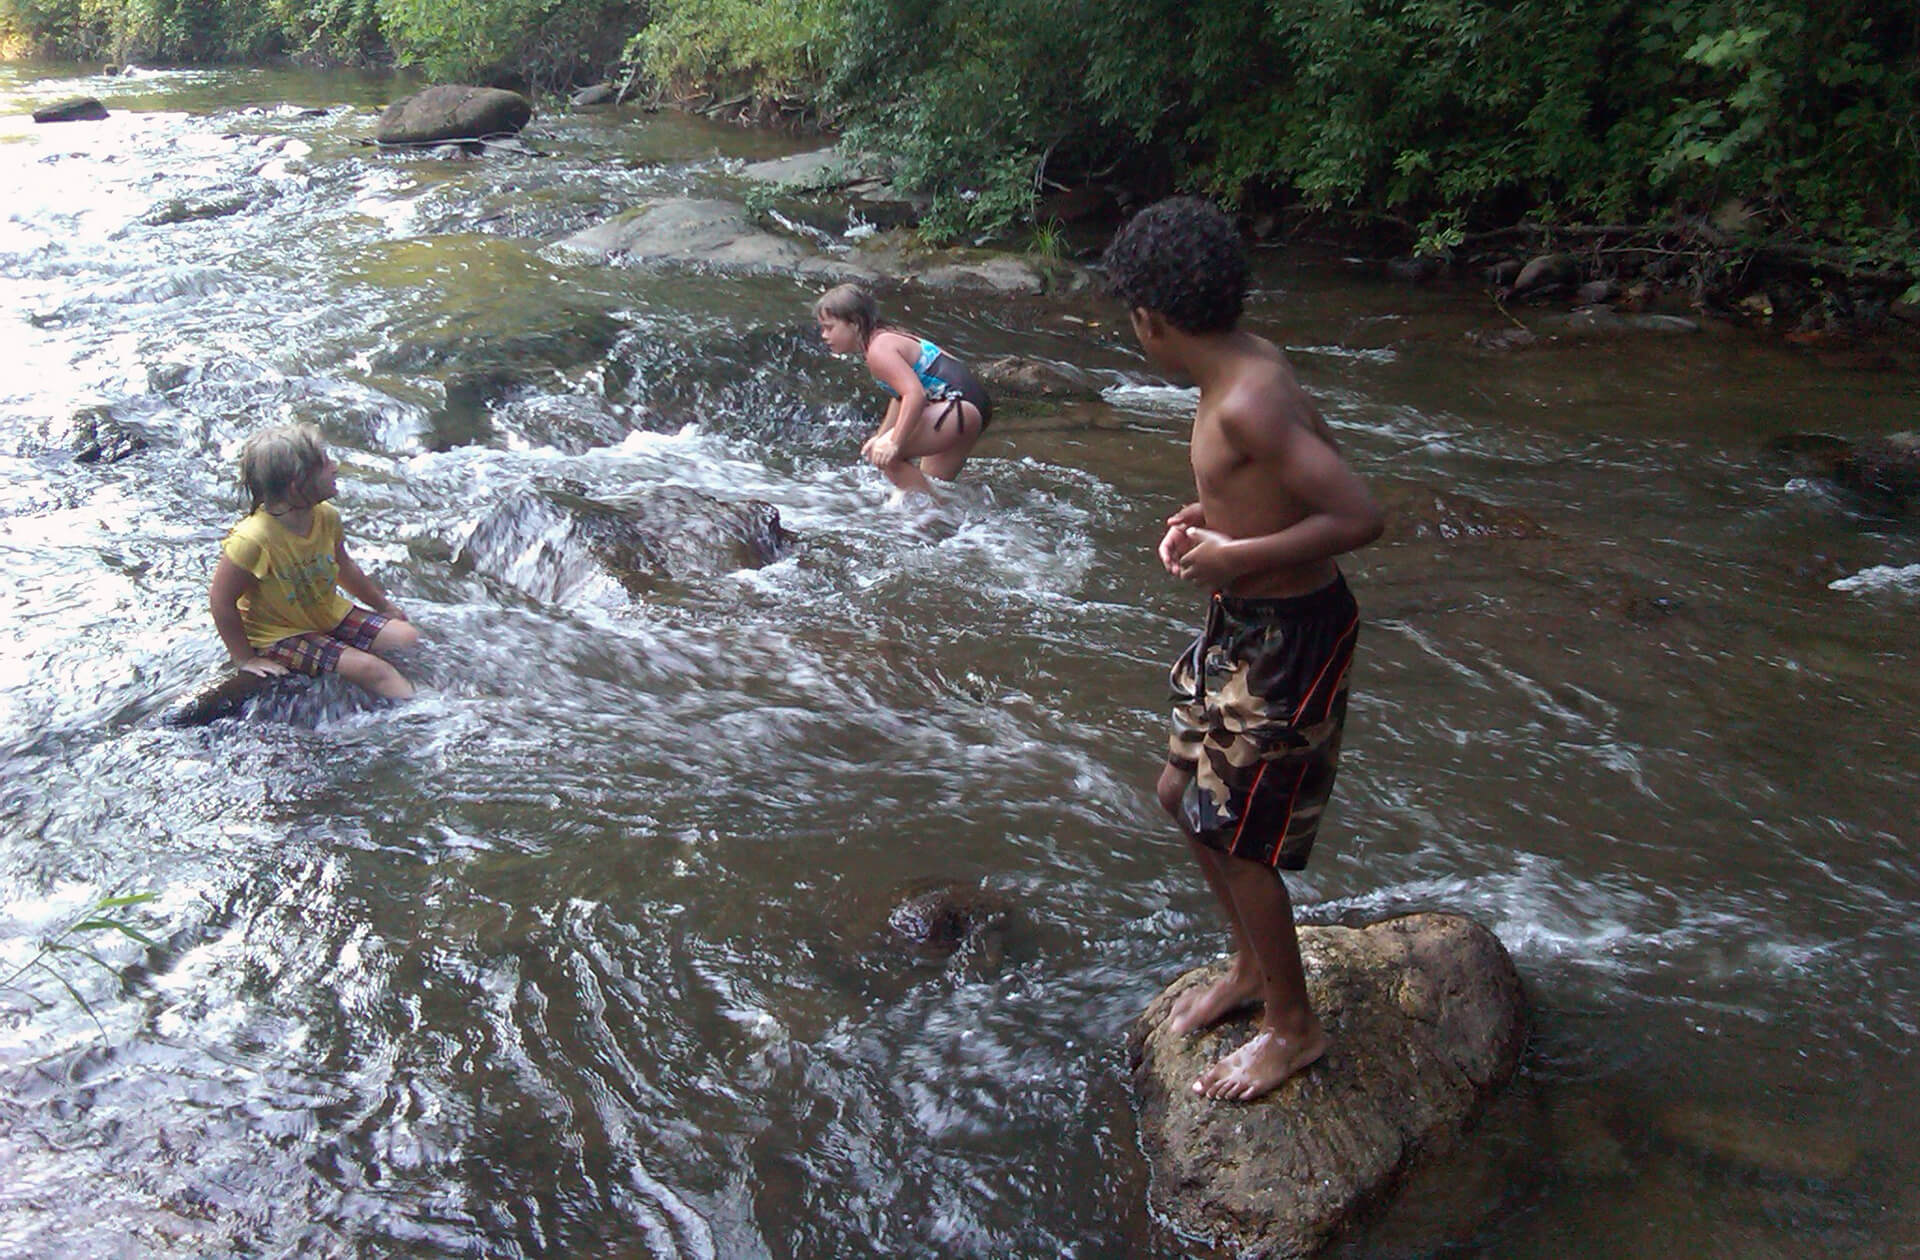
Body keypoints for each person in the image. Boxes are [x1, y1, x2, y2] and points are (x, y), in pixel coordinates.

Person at [1103, 197, 1385, 1103]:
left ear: (1150, 319)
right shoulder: (1239, 371)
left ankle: (1293, 1030)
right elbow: (1285, 477)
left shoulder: (1250, 398)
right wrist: (1206, 523)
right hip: (1242, 626)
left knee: (1240, 834)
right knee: (1178, 794)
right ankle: (1252, 966)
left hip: (1292, 642)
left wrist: (1238, 554)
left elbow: (1358, 516)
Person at [209, 423, 420, 701]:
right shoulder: (253, 539)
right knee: (373, 670)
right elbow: (220, 600)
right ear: (297, 486)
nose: (335, 467)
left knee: (408, 638)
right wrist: (244, 659)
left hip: (326, 615)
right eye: (324, 463)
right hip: (279, 634)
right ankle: (432, 718)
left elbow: (344, 568)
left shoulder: (326, 516)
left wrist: (383, 605)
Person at [813, 283, 993, 498]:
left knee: (888, 458)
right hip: (970, 408)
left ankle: (936, 519)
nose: (823, 335)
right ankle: (949, 524)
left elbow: (914, 395)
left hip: (955, 409)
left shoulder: (879, 351)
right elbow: (900, 396)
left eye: (829, 327)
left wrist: (893, 443)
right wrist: (881, 435)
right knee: (932, 488)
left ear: (855, 323)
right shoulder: (888, 337)